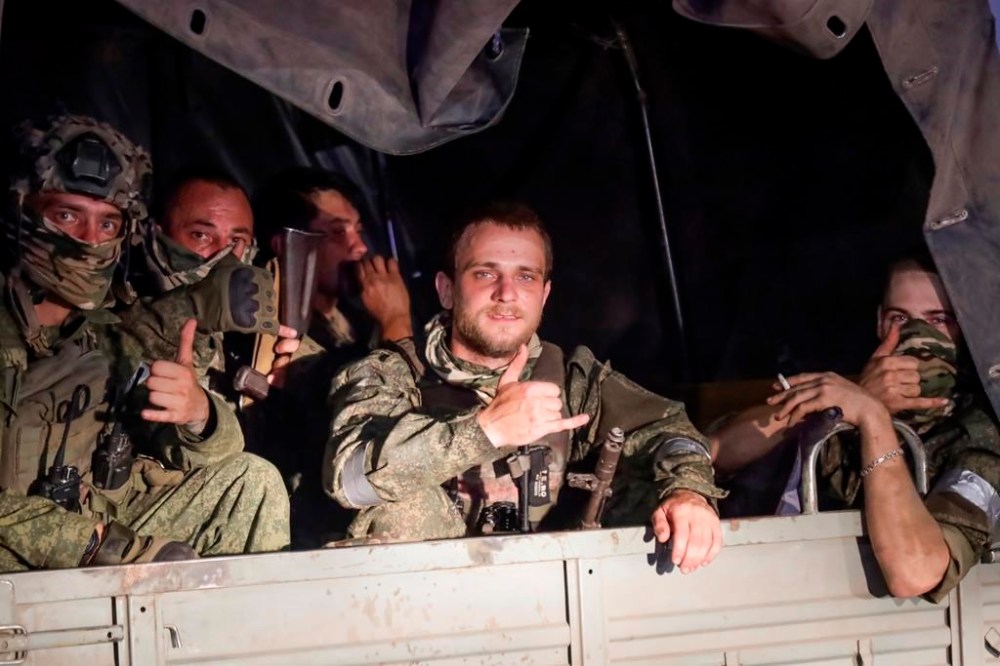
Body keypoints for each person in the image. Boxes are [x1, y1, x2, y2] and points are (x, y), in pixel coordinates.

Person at [324, 202, 724, 573]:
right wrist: (483, 430)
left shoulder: (568, 379)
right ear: (447, 290)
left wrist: (687, 491)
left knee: (663, 510)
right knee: (399, 507)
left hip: (557, 594)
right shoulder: (391, 374)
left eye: (526, 277)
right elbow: (350, 480)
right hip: (433, 608)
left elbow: (669, 428)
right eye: (485, 273)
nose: (507, 293)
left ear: (544, 295)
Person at [0, 115, 289, 571]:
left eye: (108, 224)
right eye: (67, 215)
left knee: (250, 482)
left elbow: (208, 448)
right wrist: (96, 544)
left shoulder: (112, 333)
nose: (89, 241)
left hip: (106, 528)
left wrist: (198, 413)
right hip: (27, 559)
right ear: (21, 210)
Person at [712, 252, 1000, 600]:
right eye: (900, 317)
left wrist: (873, 419)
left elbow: (915, 573)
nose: (917, 334)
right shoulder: (849, 398)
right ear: (880, 323)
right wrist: (845, 405)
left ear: (965, 329)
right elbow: (716, 451)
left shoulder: (982, 430)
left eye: (939, 320)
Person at [253, 167, 414, 547]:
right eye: (339, 232)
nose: (360, 248)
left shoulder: (356, 322)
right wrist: (397, 322)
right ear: (288, 244)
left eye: (358, 230)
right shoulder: (272, 333)